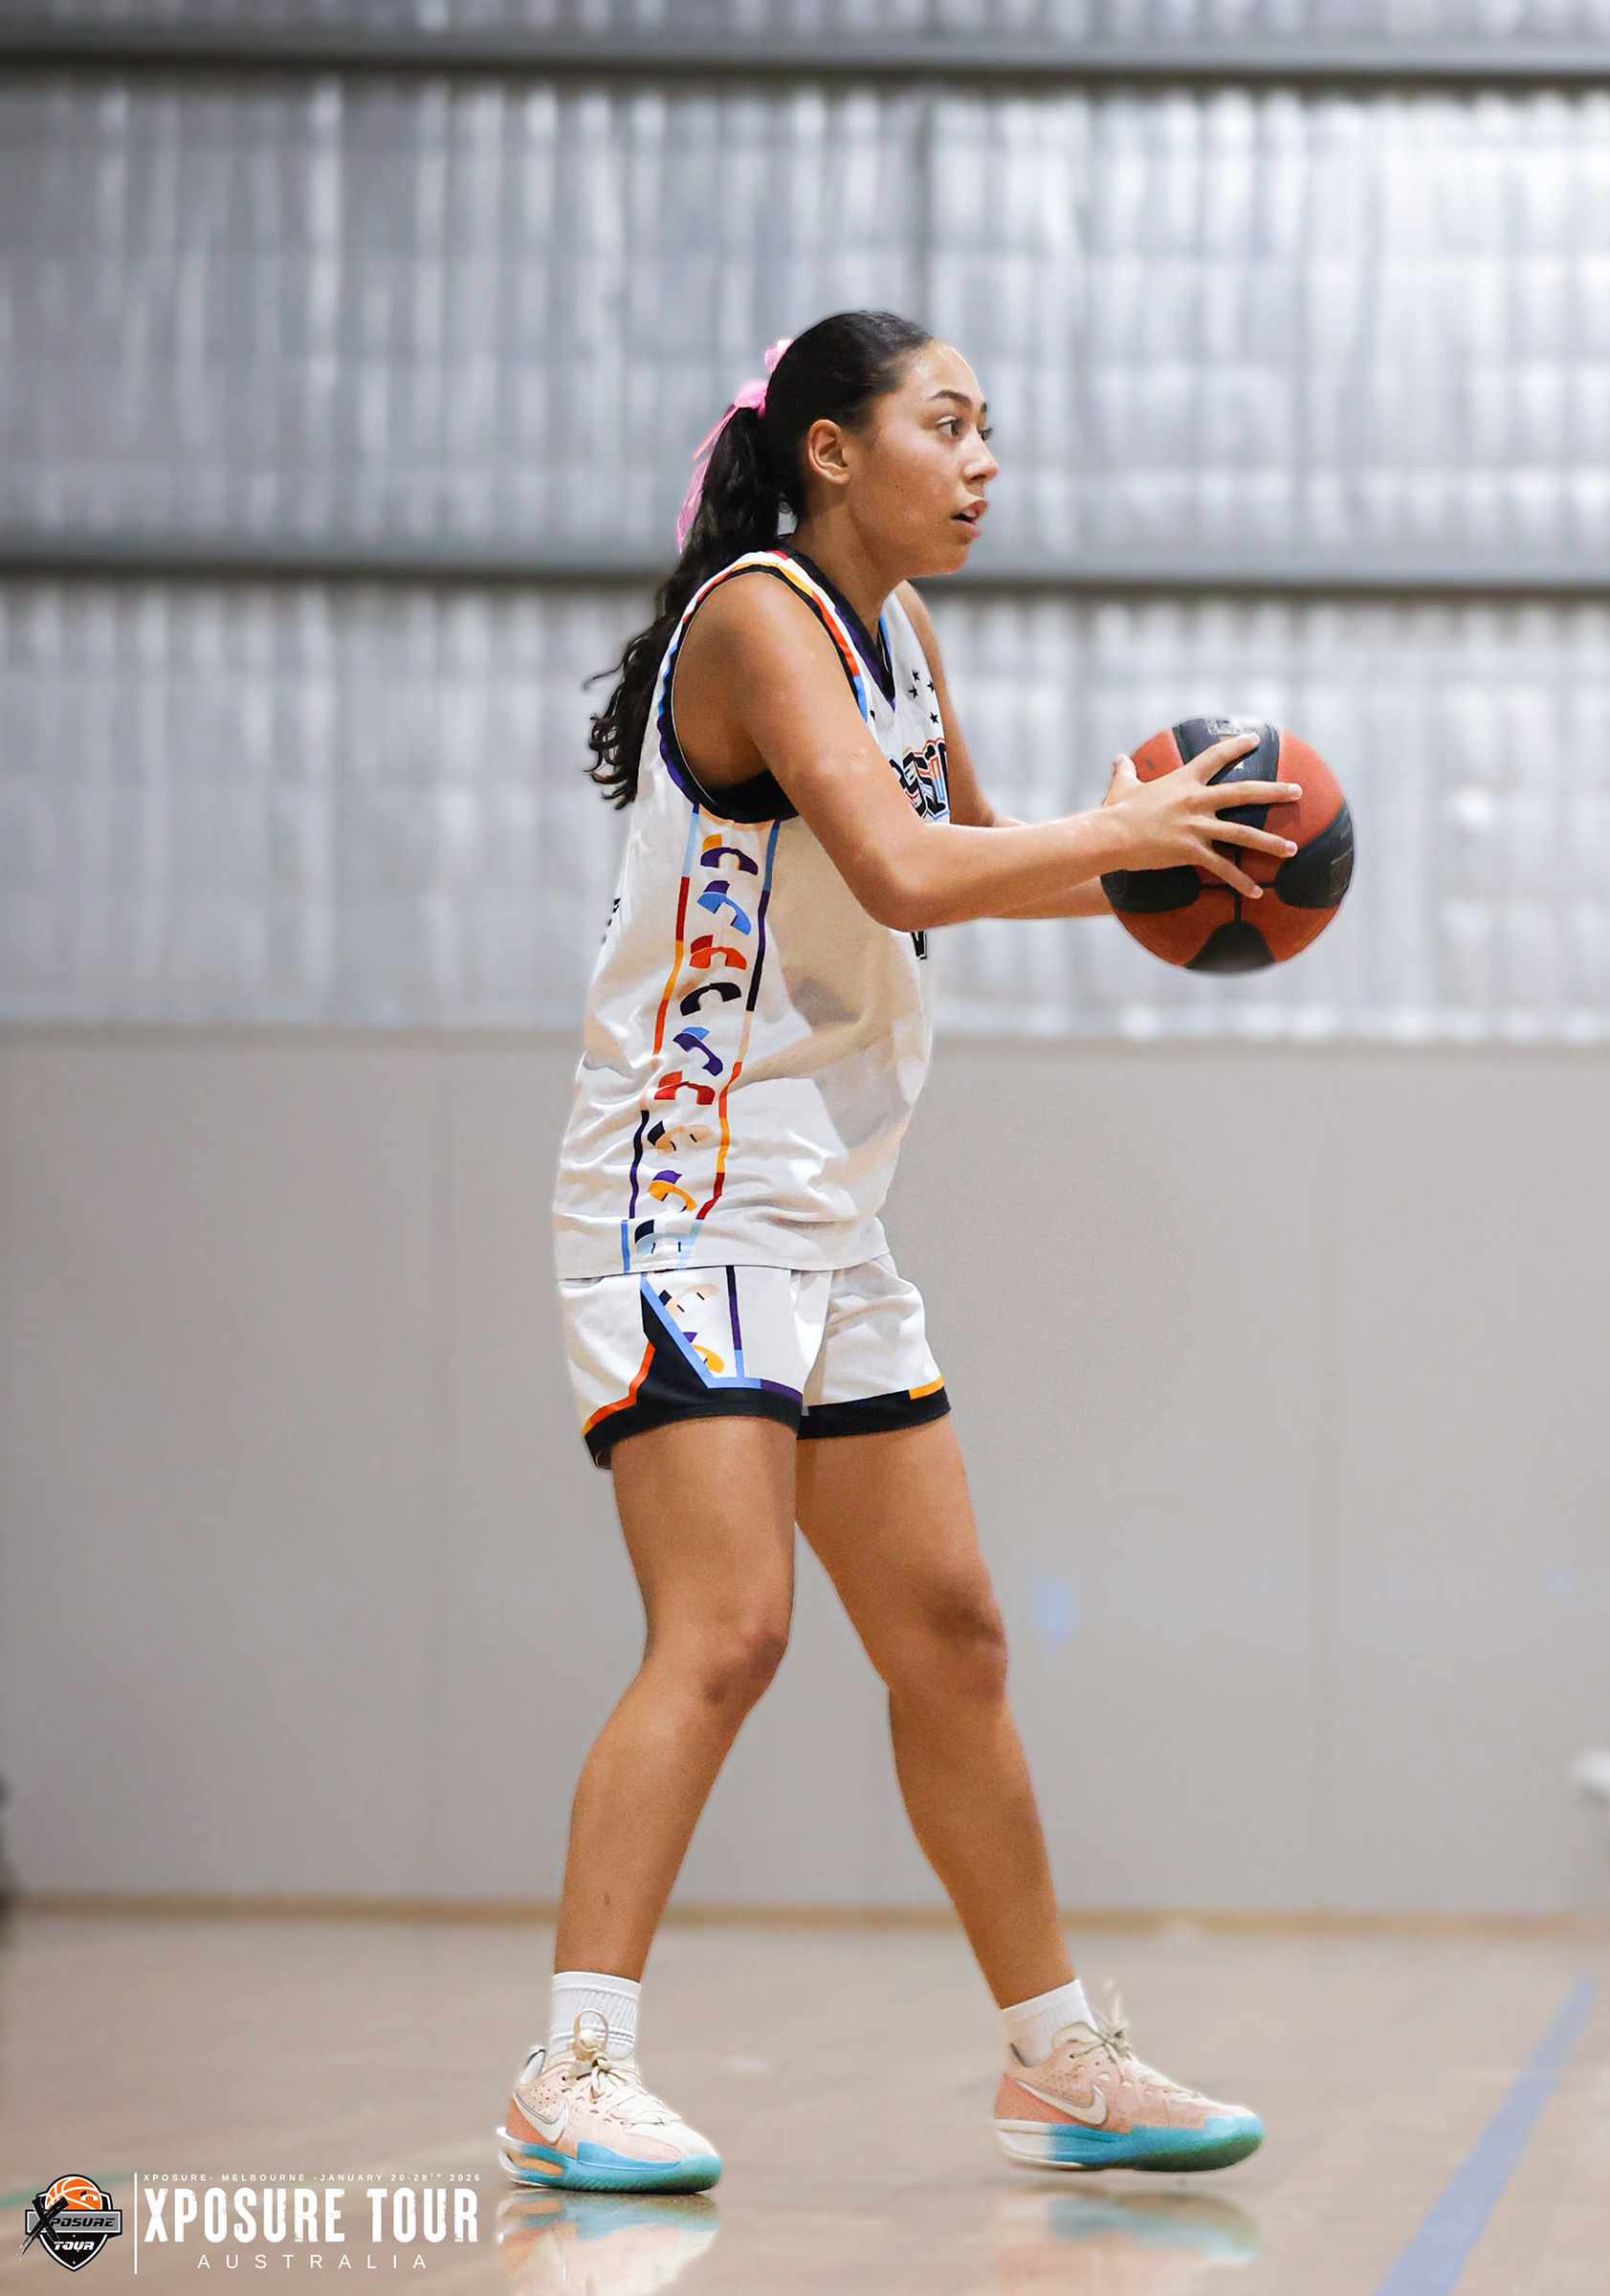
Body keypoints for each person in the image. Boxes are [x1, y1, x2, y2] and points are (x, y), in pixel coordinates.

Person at [498, 310, 1298, 2194]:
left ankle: (1056, 2062)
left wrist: (1180, 862)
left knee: (954, 1636)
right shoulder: (758, 617)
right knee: (729, 1631)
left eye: (989, 425)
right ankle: (571, 2068)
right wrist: (1126, 827)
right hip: (684, 1189)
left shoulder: (897, 632)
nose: (984, 458)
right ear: (834, 451)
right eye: (948, 422)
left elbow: (983, 848)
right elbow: (905, 871)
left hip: (822, 1206)